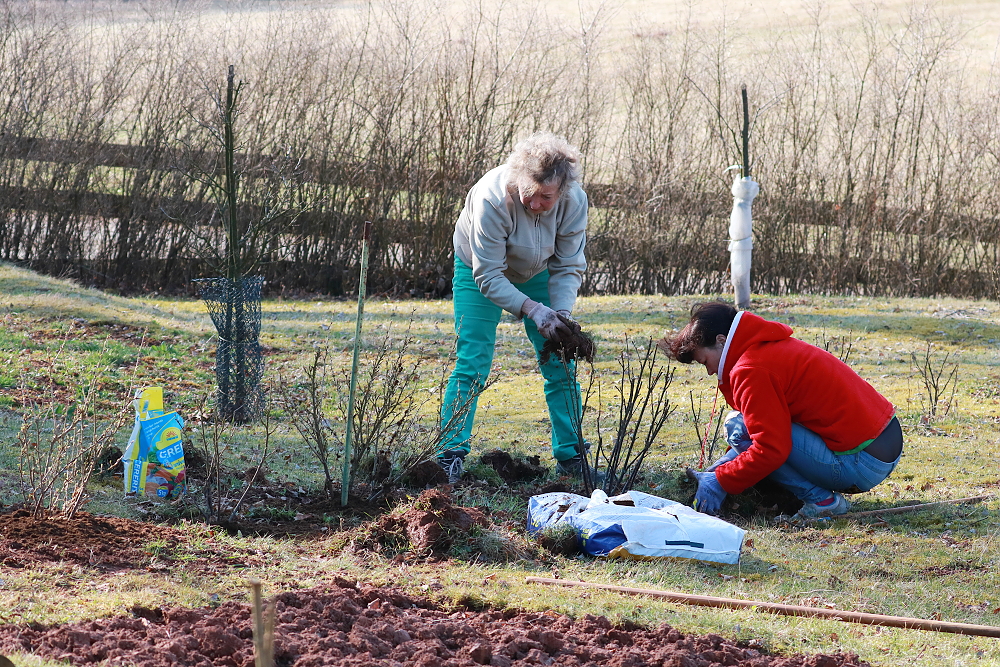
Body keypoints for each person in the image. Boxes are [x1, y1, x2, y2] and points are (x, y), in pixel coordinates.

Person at [659, 302, 903, 521]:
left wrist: (721, 481)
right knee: (746, 428)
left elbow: (770, 448)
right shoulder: (767, 347)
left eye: (705, 361)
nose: (710, 372)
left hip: (861, 463)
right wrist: (724, 465)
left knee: (738, 427)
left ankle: (822, 501)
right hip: (883, 448)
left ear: (722, 341)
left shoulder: (751, 369)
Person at [437, 132, 589, 483]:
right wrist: (534, 311)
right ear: (519, 178)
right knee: (472, 358)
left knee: (560, 359)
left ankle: (571, 455)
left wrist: (561, 314)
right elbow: (488, 275)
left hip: (539, 271)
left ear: (562, 190)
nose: (536, 204)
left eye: (546, 197)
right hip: (482, 269)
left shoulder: (573, 201)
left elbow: (568, 265)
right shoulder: (492, 197)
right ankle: (450, 453)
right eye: (530, 194)